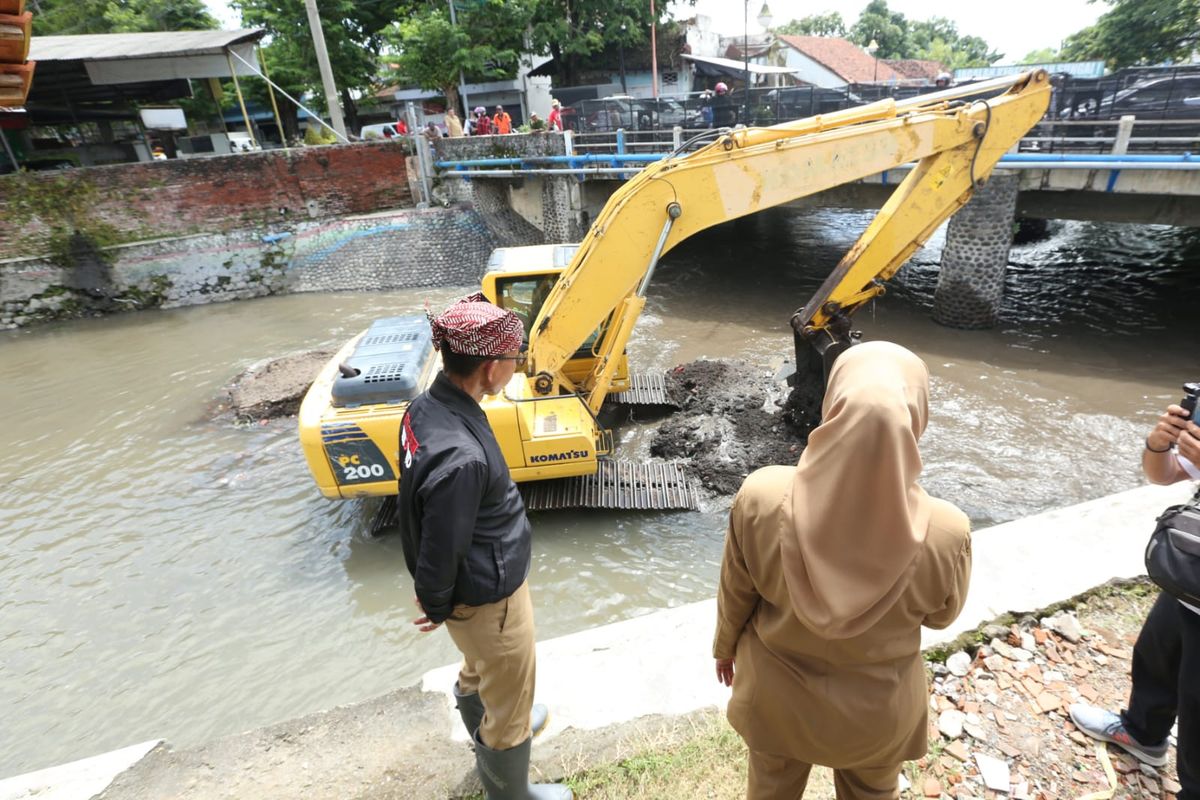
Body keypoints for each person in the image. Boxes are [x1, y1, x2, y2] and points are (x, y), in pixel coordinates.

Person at [714, 341, 972, 800]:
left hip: (777, 702)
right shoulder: (947, 531)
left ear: (832, 404)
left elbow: (737, 590)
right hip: (877, 714)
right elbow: (940, 616)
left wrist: (724, 648)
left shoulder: (761, 496)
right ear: (917, 415)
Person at [398, 293, 571, 800]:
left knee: (479, 668)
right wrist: (436, 599)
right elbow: (441, 541)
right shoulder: (462, 458)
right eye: (515, 360)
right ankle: (507, 775)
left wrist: (436, 596)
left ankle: (489, 719)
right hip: (490, 600)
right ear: (491, 367)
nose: (517, 368)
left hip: (471, 595)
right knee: (511, 695)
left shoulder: (426, 409)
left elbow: (422, 517)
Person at [1070, 392, 1200, 796]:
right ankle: (1143, 733)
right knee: (1156, 657)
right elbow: (1162, 475)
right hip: (1190, 577)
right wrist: (1160, 442)